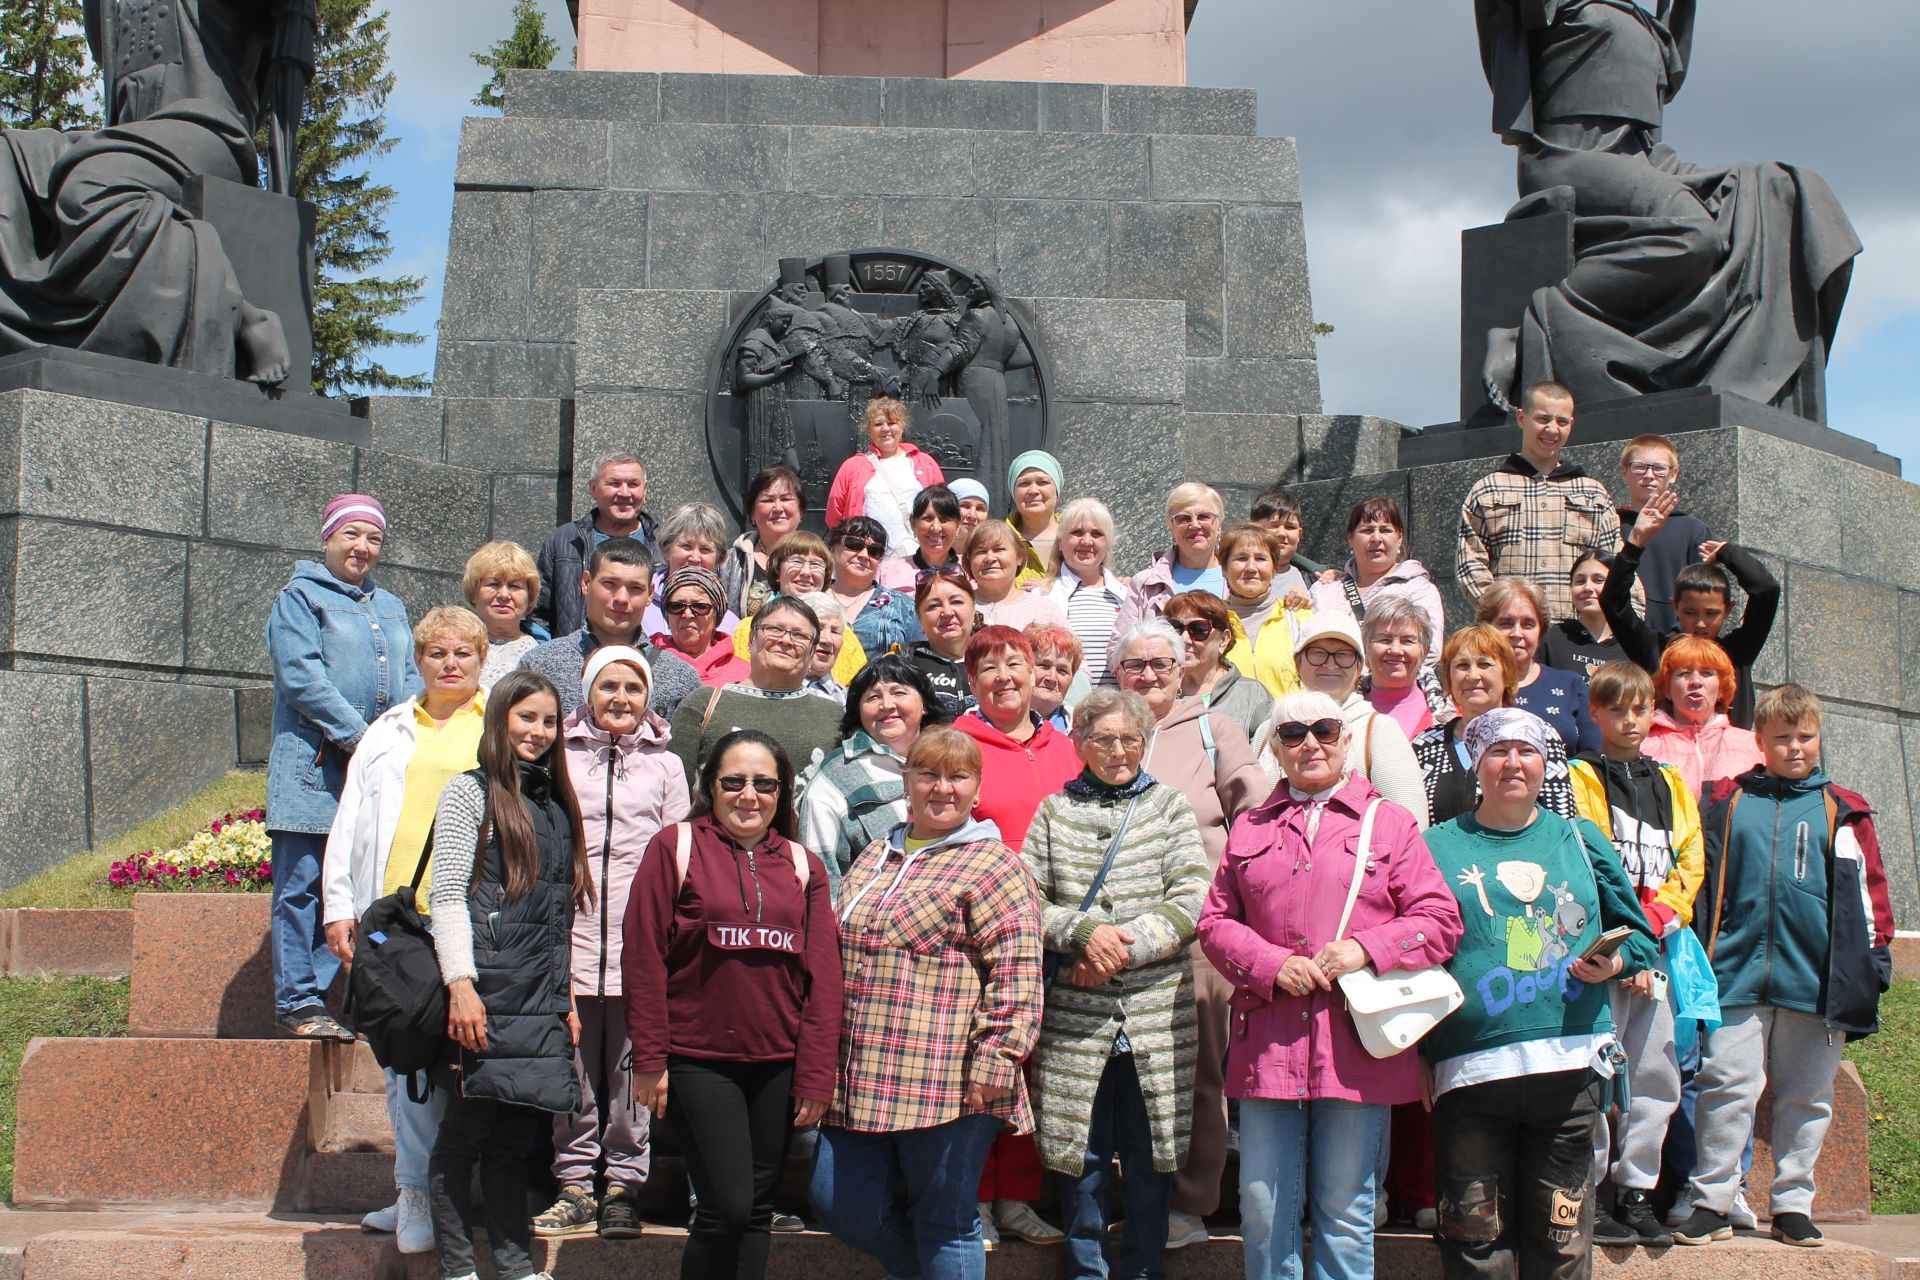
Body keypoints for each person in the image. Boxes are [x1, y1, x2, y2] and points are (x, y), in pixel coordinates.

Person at [1201, 689, 1464, 1280]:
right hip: (1269, 1041)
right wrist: (1270, 965)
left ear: (1347, 741)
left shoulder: (1390, 823)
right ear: (1275, 748)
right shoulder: (1249, 826)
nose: (1310, 744)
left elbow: (1440, 921)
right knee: (1263, 1208)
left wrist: (1365, 948)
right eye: (1293, 734)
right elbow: (1214, 922)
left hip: (1353, 1045)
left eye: (1324, 730)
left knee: (1346, 1210)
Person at [1422, 708, 1659, 1280]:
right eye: (1497, 752)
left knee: (1562, 1241)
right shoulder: (1435, 846)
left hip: (1569, 1069)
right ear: (1473, 763)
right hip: (1471, 1071)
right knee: (1475, 1243)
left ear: (1544, 762)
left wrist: (1614, 963)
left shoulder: (1580, 839)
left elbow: (1644, 938)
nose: (1513, 763)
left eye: (1526, 751)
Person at [811, 728, 1045, 1280]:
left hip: (950, 1074)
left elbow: (1017, 972)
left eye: (958, 776)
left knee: (945, 1218)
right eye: (928, 774)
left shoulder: (994, 865)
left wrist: (998, 1058)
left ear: (976, 787)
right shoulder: (874, 854)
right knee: (841, 1206)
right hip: (859, 1072)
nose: (942, 789)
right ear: (905, 781)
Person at [1675, 685, 1895, 1250]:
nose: (1794, 747)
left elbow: (1871, 893)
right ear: (1761, 742)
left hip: (1816, 980)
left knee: (1807, 1094)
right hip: (1736, 974)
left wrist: (1874, 964)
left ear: (1819, 738)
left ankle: (1794, 1203)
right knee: (1727, 1084)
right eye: (1782, 738)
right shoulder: (1728, 801)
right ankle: (1713, 1199)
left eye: (1805, 736)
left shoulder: (1843, 808)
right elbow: (1704, 887)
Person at [623, 730, 841, 1279]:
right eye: (734, 781)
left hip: (777, 1064)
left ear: (781, 792)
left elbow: (824, 980)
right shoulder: (674, 848)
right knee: (728, 1207)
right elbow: (644, 958)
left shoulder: (803, 865)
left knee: (757, 1215)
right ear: (710, 787)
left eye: (764, 783)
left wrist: (815, 1074)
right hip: (698, 1060)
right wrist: (649, 1058)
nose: (750, 794)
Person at [1024, 688, 1212, 1280]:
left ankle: (1143, 1269)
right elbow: (1028, 901)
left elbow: (1192, 898)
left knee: (1150, 1153)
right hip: (1076, 1020)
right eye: (1103, 739)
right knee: (1079, 1156)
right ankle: (1086, 1270)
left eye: (1130, 739)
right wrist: (1084, 933)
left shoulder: (1170, 807)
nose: (1118, 750)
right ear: (1079, 743)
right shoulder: (1054, 812)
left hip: (1156, 1014)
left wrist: (1115, 952)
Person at [320, 606, 487, 1251]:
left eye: (463, 653)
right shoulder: (387, 730)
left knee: (457, 1059)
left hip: (468, 914)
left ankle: (446, 1193)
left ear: (481, 660)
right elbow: (350, 821)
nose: (450, 663)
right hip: (394, 917)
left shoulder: (496, 725)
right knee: (402, 1059)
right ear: (418, 661)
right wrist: (341, 906)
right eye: (437, 652)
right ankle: (411, 1192)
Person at [425, 670, 594, 1280]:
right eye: (526, 718)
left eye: (549, 721)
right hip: (485, 994)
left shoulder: (555, 804)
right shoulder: (471, 792)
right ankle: (458, 1269)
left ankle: (516, 1266)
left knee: (513, 1139)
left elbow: (557, 913)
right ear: (499, 720)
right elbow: (446, 896)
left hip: (540, 997)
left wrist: (566, 994)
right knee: (463, 1137)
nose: (538, 732)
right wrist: (461, 985)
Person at [1111, 618, 1265, 1248]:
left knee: (1199, 1071)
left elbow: (1253, 817)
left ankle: (1190, 1204)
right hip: (1113, 936)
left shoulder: (1213, 727)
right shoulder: (1102, 730)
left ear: (1183, 670)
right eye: (1136, 665)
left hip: (1195, 936)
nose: (1149, 675)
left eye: (1162, 664)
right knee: (1117, 1073)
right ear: (1117, 673)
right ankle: (1125, 1195)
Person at [531, 647, 691, 1242]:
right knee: (570, 1071)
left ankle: (624, 1186)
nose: (621, 698)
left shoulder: (667, 765)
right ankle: (575, 1184)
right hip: (568, 940)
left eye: (632, 687)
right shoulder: (559, 755)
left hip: (639, 945)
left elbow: (677, 854)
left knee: (632, 1074)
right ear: (587, 692)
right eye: (608, 686)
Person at [268, 494, 420, 1041]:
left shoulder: (392, 606)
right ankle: (299, 999)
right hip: (314, 768)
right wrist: (362, 737)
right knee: (302, 884)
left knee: (360, 882)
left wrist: (403, 734)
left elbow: (409, 677)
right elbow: (301, 677)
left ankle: (340, 994)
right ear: (327, 537)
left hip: (374, 768)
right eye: (352, 535)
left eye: (374, 539)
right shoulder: (299, 598)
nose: (362, 548)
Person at [949, 625, 1079, 1247]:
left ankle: (1018, 1198)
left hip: (1056, 931)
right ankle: (972, 1198)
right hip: (981, 932)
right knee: (983, 1061)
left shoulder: (1067, 748)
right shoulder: (958, 744)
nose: (1004, 676)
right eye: (989, 667)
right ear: (972, 681)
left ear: (1035, 673)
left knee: (1033, 1067)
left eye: (1015, 663)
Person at [1567, 661, 1703, 1248]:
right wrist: (1628, 937)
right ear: (1594, 713)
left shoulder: (1669, 781)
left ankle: (1636, 1188)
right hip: (1605, 948)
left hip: (1659, 949)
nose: (1629, 719)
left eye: (1639, 708)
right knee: (1597, 1071)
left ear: (1653, 713)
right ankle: (1592, 1188)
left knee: (1656, 1071)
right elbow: (1593, 859)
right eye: (1616, 709)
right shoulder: (1580, 775)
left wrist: (1656, 928)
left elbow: (1690, 858)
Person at [1601, 491, 1779, 729]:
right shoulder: (1656, 649)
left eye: (1711, 613)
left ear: (1728, 610)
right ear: (1675, 606)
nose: (1701, 623)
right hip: (1668, 758)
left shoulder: (1739, 650)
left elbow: (1766, 590)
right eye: (1690, 612)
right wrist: (1635, 543)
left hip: (1727, 758)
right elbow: (1613, 602)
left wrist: (1727, 553)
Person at [1455, 382, 1626, 620]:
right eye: (1543, 419)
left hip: (1575, 633)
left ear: (1571, 425)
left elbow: (1615, 565)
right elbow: (1469, 564)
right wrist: (1501, 614)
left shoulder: (1593, 494)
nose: (1552, 430)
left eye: (1562, 421)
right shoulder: (1488, 489)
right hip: (1510, 634)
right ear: (1521, 418)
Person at [1258, 615, 1429, 828]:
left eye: (1344, 655)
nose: (1331, 664)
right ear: (1298, 663)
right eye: (1318, 653)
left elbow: (1411, 825)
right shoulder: (1268, 730)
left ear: (1359, 667)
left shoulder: (1379, 730)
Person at [798, 656, 948, 893]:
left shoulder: (954, 762)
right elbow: (821, 872)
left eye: (899, 692)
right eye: (873, 697)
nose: (887, 705)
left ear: (925, 704)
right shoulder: (838, 774)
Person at [1413, 625, 1580, 827]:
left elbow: (1562, 822)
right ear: (1449, 678)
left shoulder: (1540, 735)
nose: (1473, 675)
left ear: (1507, 675)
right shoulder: (1425, 744)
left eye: (1485, 664)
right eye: (1462, 666)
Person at [520, 538, 700, 721]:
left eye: (635, 588)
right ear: (586, 583)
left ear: (650, 594)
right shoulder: (539, 666)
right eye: (609, 584)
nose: (621, 598)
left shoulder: (681, 679)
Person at [670, 596, 846, 784]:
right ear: (751, 639)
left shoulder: (832, 715)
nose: (786, 640)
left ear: (812, 652)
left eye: (799, 635)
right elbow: (675, 794)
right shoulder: (703, 704)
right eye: (774, 629)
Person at [1309, 497, 1447, 664]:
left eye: (1386, 530)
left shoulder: (1419, 589)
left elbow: (1430, 649)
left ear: (1400, 537)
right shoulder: (1324, 589)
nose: (1376, 538)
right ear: (1350, 538)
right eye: (1367, 530)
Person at [535, 453, 656, 636]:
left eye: (633, 484)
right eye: (614, 483)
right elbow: (539, 612)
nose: (624, 493)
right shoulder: (563, 541)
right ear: (593, 488)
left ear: (645, 490)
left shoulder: (665, 544)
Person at [1477, 577, 1602, 755]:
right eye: (1506, 623)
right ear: (1486, 627)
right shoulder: (1474, 684)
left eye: (1528, 624)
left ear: (1540, 631)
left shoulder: (1570, 684)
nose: (1517, 633)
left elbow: (1593, 754)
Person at [1642, 635, 1763, 801]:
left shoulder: (1753, 745)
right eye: (1684, 673)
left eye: (1707, 673)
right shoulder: (1643, 744)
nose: (1695, 682)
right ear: (1667, 689)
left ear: (1721, 689)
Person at [1616, 436, 1712, 636]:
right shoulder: (1611, 522)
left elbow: (1701, 592)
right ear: (1625, 471)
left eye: (1659, 468)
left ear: (1673, 474)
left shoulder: (1693, 530)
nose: (1649, 475)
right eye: (1639, 467)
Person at [825, 396, 945, 556]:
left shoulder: (925, 462)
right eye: (878, 424)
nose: (885, 429)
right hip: (868, 554)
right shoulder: (851, 467)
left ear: (902, 426)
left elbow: (942, 506)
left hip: (914, 551)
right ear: (868, 430)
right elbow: (835, 515)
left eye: (892, 423)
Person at [1114, 482, 1228, 633]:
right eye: (1183, 519)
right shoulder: (1145, 585)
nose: (1194, 525)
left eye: (1203, 517)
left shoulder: (1239, 578)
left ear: (1219, 525)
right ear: (1171, 528)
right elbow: (1120, 647)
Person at [1041, 497, 1129, 690]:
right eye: (1077, 532)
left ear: (1107, 544)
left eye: (1097, 534)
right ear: (1061, 542)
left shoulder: (1127, 596)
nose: (1087, 541)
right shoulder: (1041, 596)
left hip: (1118, 712)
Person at [1217, 523, 1312, 699]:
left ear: (1275, 568)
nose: (1251, 567)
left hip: (1288, 723)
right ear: (1224, 568)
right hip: (1229, 724)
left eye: (1261, 559)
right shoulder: (1212, 623)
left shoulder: (1300, 618)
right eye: (1241, 558)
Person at [1165, 590, 1273, 743]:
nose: (1184, 638)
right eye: (1175, 628)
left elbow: (1268, 755)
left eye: (1198, 630)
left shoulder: (1251, 694)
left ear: (1223, 639)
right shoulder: (1158, 691)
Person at [1362, 595, 1453, 743]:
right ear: (1366, 647)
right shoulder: (1343, 713)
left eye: (1407, 641)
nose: (1396, 650)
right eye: (1385, 640)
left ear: (1424, 650)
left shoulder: (1449, 717)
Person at [826, 517, 920, 657]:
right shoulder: (812, 598)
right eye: (854, 544)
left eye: (874, 551)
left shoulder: (903, 606)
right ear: (832, 548)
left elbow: (921, 658)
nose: (864, 555)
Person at [643, 503, 739, 638]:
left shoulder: (730, 625)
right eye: (686, 546)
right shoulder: (640, 606)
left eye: (705, 549)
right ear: (666, 550)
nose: (695, 558)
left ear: (719, 559)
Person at [721, 465, 806, 618]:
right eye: (768, 500)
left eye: (786, 499)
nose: (778, 507)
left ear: (801, 511)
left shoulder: (820, 559)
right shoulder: (730, 562)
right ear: (752, 513)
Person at [463, 541, 546, 688]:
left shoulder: (542, 652)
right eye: (493, 584)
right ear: (474, 592)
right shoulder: (452, 646)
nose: (504, 595)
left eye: (514, 586)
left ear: (530, 596)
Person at [653, 565, 750, 688]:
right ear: (667, 614)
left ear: (717, 615)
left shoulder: (745, 674)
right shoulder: (645, 660)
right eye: (677, 606)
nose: (687, 614)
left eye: (699, 607)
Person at [1540, 551, 1628, 679]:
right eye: (1580, 581)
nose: (1587, 587)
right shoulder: (1550, 638)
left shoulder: (1633, 646)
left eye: (1598, 580)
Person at [969, 520, 1067, 631]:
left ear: (1019, 557)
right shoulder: (956, 608)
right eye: (981, 551)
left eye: (999, 549)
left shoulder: (1044, 611)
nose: (990, 558)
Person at [900, 571, 977, 712]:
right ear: (919, 617)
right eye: (934, 605)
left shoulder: (994, 657)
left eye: (957, 602)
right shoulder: (904, 664)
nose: (947, 612)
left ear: (973, 607)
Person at [877, 485, 964, 590]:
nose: (936, 528)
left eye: (944, 519)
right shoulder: (887, 573)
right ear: (913, 523)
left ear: (958, 524)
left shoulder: (972, 570)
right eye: (928, 519)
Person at [1248, 488, 1326, 587]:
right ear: (1252, 529)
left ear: (1300, 534)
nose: (1282, 533)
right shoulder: (1230, 578)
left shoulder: (1320, 580)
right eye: (1274, 526)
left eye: (1290, 527)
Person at [1007, 450, 1064, 579]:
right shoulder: (1000, 540)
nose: (1033, 490)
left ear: (1057, 492)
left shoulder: (1079, 538)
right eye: (1024, 483)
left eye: (1043, 482)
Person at [1025, 622, 1083, 732]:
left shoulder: (1082, 729)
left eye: (1062, 671)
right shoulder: (994, 722)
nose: (1052, 678)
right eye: (1043, 666)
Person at [798, 591, 853, 703]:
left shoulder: (852, 701)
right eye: (818, 628)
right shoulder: (773, 691)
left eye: (835, 631)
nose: (827, 640)